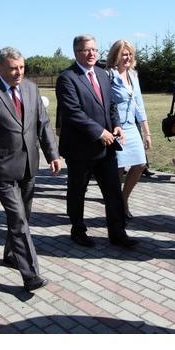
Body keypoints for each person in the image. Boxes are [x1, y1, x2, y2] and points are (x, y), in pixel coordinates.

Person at [0, 47, 61, 292]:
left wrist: (52, 154)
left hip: (29, 166)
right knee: (18, 220)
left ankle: (10, 254)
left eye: (21, 67)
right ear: (0, 68)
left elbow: (43, 123)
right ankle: (31, 275)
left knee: (23, 218)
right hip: (2, 169)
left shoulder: (31, 88)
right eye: (13, 68)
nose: (19, 72)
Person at [56, 34, 138, 249]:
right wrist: (99, 132)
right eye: (86, 50)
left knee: (113, 191)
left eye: (94, 49)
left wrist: (116, 124)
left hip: (106, 147)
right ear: (76, 53)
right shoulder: (67, 78)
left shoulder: (102, 74)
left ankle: (118, 233)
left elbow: (111, 105)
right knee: (77, 191)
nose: (92, 53)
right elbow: (72, 112)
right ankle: (78, 230)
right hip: (80, 148)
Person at [106, 39, 151, 219]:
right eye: (124, 54)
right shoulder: (108, 75)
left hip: (132, 128)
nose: (128, 57)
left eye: (130, 54)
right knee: (118, 169)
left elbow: (139, 105)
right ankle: (115, 205)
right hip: (116, 129)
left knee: (140, 164)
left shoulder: (133, 75)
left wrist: (146, 132)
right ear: (115, 56)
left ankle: (123, 199)